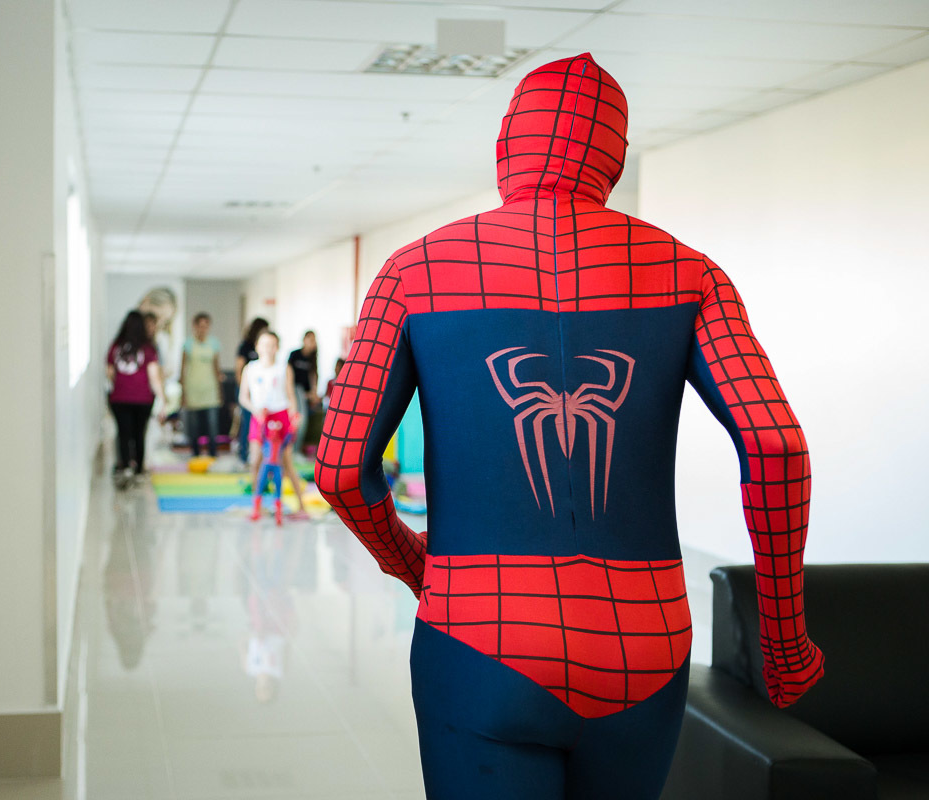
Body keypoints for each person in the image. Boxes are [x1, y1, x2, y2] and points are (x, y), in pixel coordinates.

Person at [314, 53, 824, 800]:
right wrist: (783, 639)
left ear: (505, 144)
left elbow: (339, 469)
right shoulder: (692, 274)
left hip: (476, 634)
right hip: (645, 642)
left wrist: (415, 564)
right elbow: (776, 448)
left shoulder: (412, 271)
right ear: (614, 156)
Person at [238, 331, 308, 519]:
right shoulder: (250, 368)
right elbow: (243, 397)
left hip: (281, 416)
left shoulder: (284, 368)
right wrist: (255, 410)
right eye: (264, 344)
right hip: (259, 416)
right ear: (257, 347)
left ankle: (301, 506)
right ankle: (257, 506)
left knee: (286, 463)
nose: (268, 349)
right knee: (255, 461)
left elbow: (291, 396)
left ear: (277, 348)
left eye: (272, 345)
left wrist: (294, 416)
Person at [106, 310, 166, 485]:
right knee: (139, 433)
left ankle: (125, 467)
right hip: (143, 398)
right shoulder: (148, 348)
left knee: (123, 433)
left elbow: (110, 372)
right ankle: (139, 469)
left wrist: (121, 385)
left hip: (119, 398)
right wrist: (162, 399)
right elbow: (154, 376)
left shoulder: (116, 346)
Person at [180, 312, 222, 458]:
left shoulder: (214, 344)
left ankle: (212, 453)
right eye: (200, 326)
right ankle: (196, 454)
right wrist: (183, 393)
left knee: (212, 425)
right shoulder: (188, 344)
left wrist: (220, 390)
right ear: (195, 326)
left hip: (210, 389)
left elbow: (217, 368)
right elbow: (182, 369)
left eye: (206, 326)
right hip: (193, 388)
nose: (203, 329)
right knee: (194, 426)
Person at [234, 317, 269, 463]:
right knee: (247, 423)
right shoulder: (245, 346)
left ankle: (260, 456)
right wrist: (245, 390)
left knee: (260, 424)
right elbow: (239, 370)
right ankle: (243, 454)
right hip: (246, 391)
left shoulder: (264, 348)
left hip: (260, 392)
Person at [286, 331, 318, 458]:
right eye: (309, 340)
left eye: (313, 340)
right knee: (297, 419)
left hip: (304, 393)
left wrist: (313, 393)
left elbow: (313, 376)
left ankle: (296, 450)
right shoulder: (295, 354)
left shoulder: (313, 357)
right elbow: (288, 374)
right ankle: (292, 451)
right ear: (304, 340)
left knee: (302, 421)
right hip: (293, 389)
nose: (311, 343)